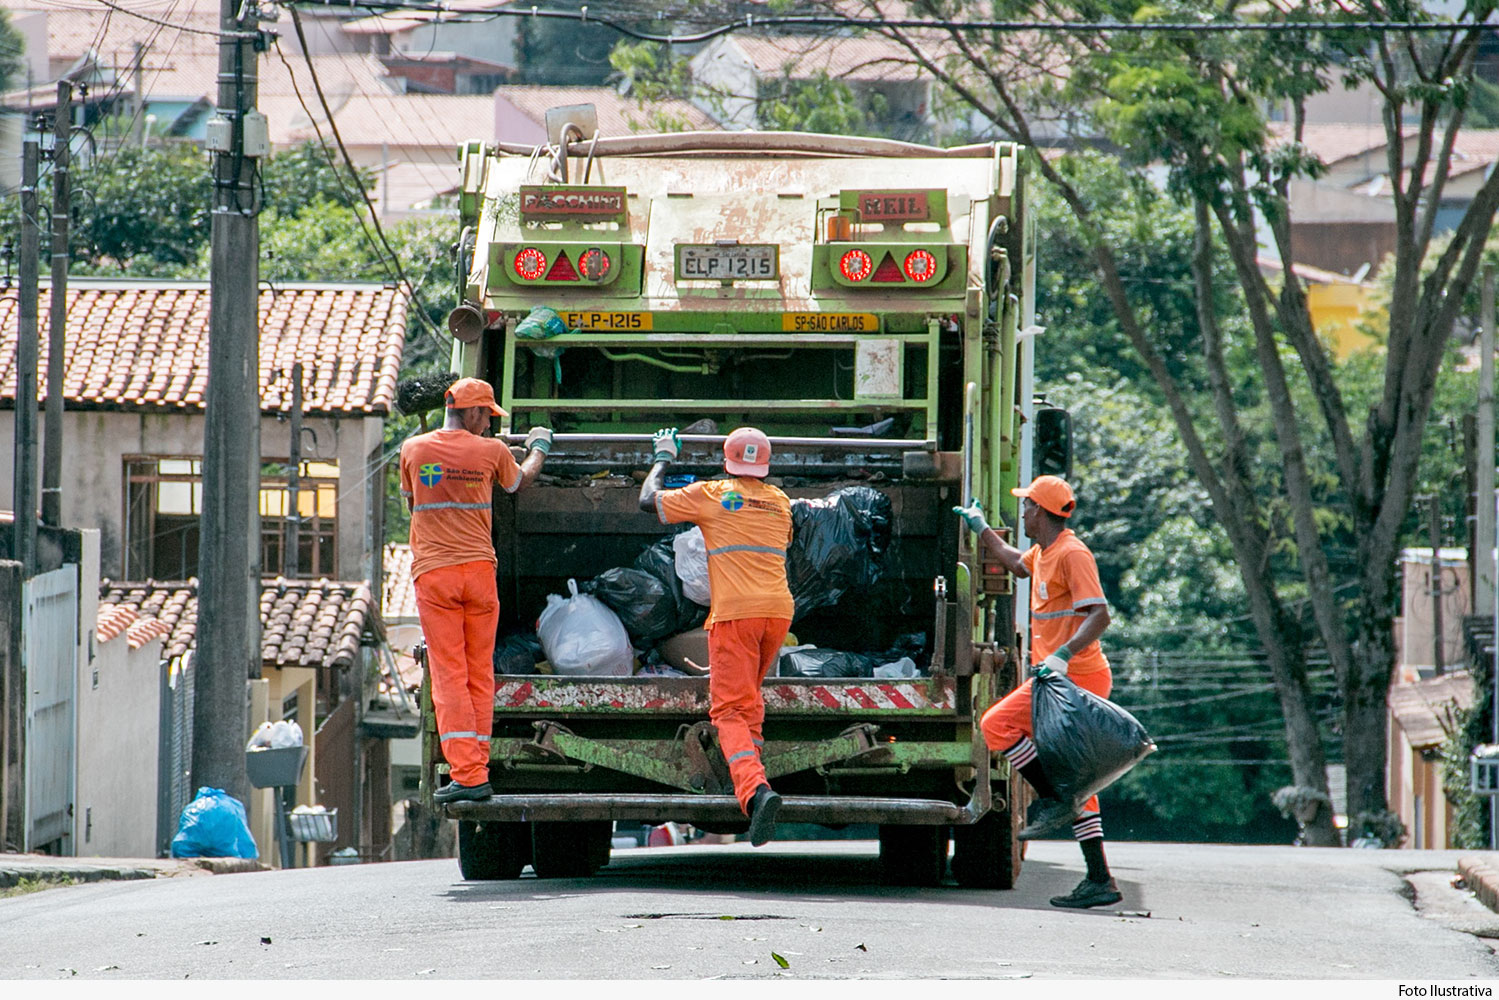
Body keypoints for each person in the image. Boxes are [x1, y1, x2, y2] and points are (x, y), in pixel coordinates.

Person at [953, 474, 1121, 909]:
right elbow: (1013, 561)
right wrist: (979, 527)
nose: (1023, 512)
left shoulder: (1072, 553)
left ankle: (1051, 801)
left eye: (1027, 506)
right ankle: (1099, 878)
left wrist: (1062, 654)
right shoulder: (1044, 552)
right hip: (1058, 678)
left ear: (1042, 512)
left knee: (995, 724)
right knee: (1081, 784)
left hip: (1074, 677)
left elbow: (1100, 615)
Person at [399, 377, 552, 805]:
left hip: (435, 576)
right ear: (467, 412)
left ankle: (468, 774)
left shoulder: (412, 450)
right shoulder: (492, 452)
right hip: (479, 575)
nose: (488, 423)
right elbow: (520, 483)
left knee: (449, 677)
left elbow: (412, 504)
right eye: (485, 414)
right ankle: (475, 767)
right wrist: (540, 446)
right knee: (479, 673)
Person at [639, 426, 793, 846]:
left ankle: (754, 793)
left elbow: (647, 501)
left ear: (727, 461)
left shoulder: (713, 493)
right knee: (750, 703)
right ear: (765, 464)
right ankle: (744, 776)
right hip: (778, 613)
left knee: (726, 710)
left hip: (735, 615)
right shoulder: (781, 502)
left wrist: (664, 457)